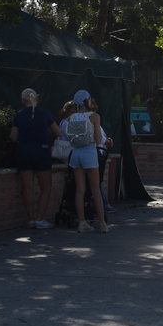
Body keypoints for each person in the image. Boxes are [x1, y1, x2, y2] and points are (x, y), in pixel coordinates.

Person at [9, 88, 59, 227]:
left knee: (27, 187)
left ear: (22, 100)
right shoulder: (45, 113)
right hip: (42, 151)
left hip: (24, 151)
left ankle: (31, 219)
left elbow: (13, 137)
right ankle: (40, 218)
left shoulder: (19, 115)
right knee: (46, 186)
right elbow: (57, 131)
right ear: (36, 98)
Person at [63, 89, 109, 233]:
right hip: (89, 153)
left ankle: (81, 222)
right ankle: (102, 223)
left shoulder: (71, 117)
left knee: (80, 190)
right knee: (95, 189)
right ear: (87, 101)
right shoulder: (94, 116)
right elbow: (97, 139)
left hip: (76, 154)